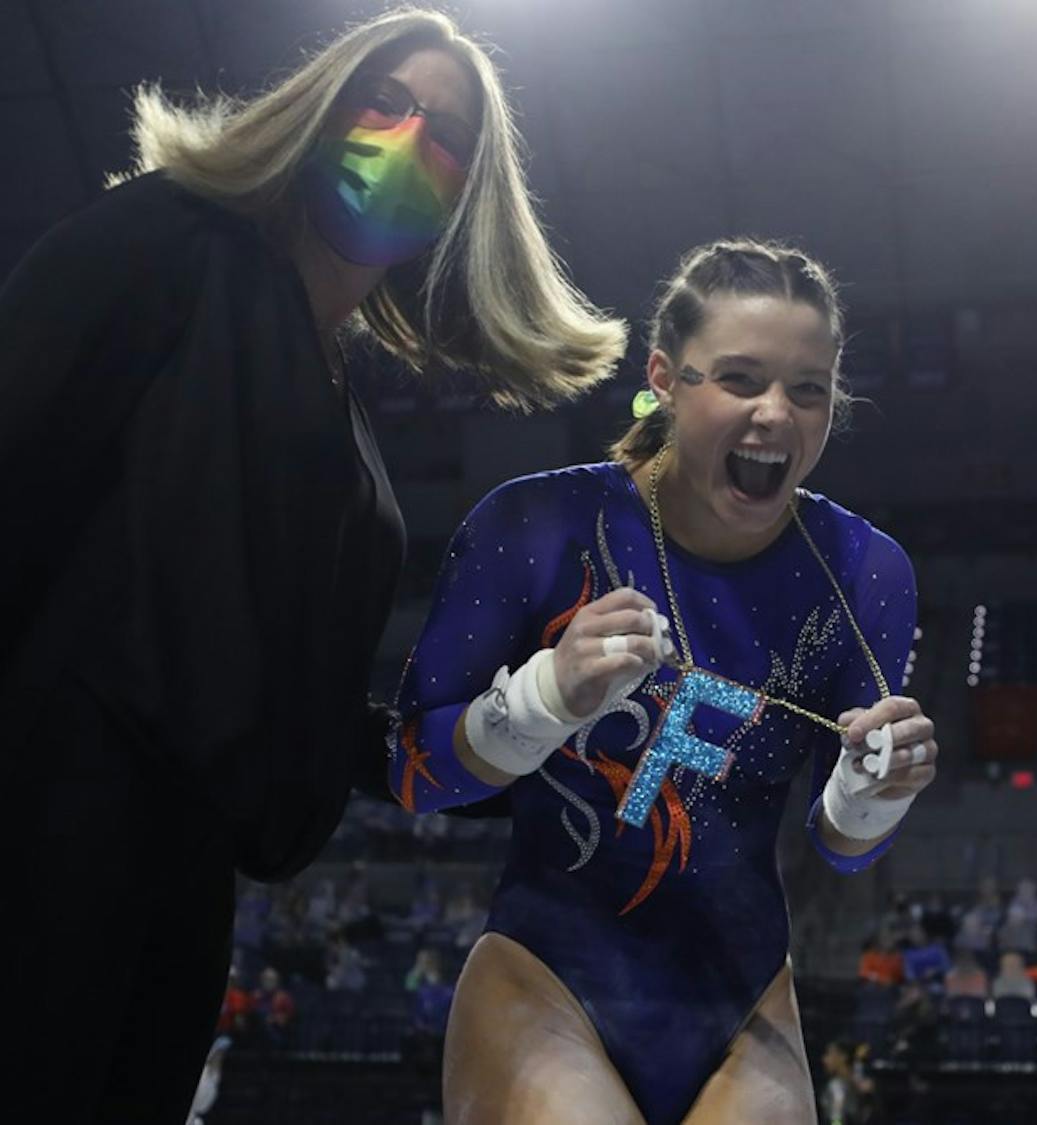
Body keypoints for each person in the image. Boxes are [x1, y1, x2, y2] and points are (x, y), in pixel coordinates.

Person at [7, 9, 627, 1119]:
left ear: (465, 201)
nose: (405, 141)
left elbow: (313, 716)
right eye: (384, 101)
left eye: (445, 135)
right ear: (316, 109)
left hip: (187, 875)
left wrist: (546, 711)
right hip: (50, 816)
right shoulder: (167, 240)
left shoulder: (346, 411)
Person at [388, 240, 937, 1122]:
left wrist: (872, 791)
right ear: (666, 377)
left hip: (742, 997)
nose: (775, 414)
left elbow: (844, 849)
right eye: (739, 378)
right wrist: (540, 700)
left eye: (807, 389)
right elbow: (413, 769)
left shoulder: (866, 571)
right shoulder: (537, 524)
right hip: (548, 977)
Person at [820, 1039, 876, 1125]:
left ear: (843, 1056)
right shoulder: (863, 1084)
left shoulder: (836, 1087)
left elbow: (836, 1118)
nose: (824, 1060)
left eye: (829, 1054)